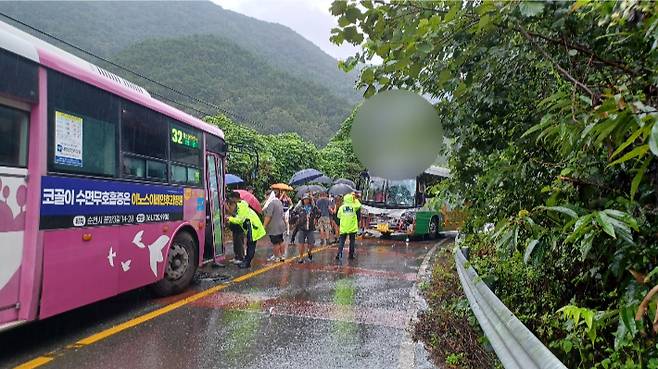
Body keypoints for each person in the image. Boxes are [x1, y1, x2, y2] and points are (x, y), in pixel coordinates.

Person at [226, 191, 266, 269]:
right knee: (249, 245)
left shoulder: (241, 205)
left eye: (231, 198)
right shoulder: (241, 204)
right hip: (251, 227)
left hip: (253, 228)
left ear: (234, 198)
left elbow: (240, 220)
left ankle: (247, 263)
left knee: (251, 246)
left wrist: (229, 218)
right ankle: (246, 261)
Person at [292, 194, 320, 263]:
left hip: (310, 228)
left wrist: (315, 218)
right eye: (304, 199)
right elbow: (293, 214)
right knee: (301, 243)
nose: (306, 200)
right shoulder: (300, 207)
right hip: (301, 228)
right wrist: (297, 218)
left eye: (307, 199)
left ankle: (309, 251)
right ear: (302, 200)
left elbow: (319, 213)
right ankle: (301, 257)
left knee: (311, 243)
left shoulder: (313, 207)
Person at [336, 192, 361, 261]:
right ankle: (351, 255)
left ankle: (339, 254)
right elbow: (359, 205)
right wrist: (355, 199)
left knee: (341, 241)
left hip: (344, 227)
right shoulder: (354, 207)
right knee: (352, 241)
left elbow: (338, 216)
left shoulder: (341, 207)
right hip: (352, 228)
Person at [263, 189, 287, 262]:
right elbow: (283, 215)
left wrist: (264, 226)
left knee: (275, 243)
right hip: (281, 226)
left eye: (266, 196)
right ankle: (282, 256)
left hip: (274, 227)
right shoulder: (279, 201)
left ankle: (276, 257)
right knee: (281, 241)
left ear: (269, 196)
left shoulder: (271, 204)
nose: (265, 197)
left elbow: (268, 216)